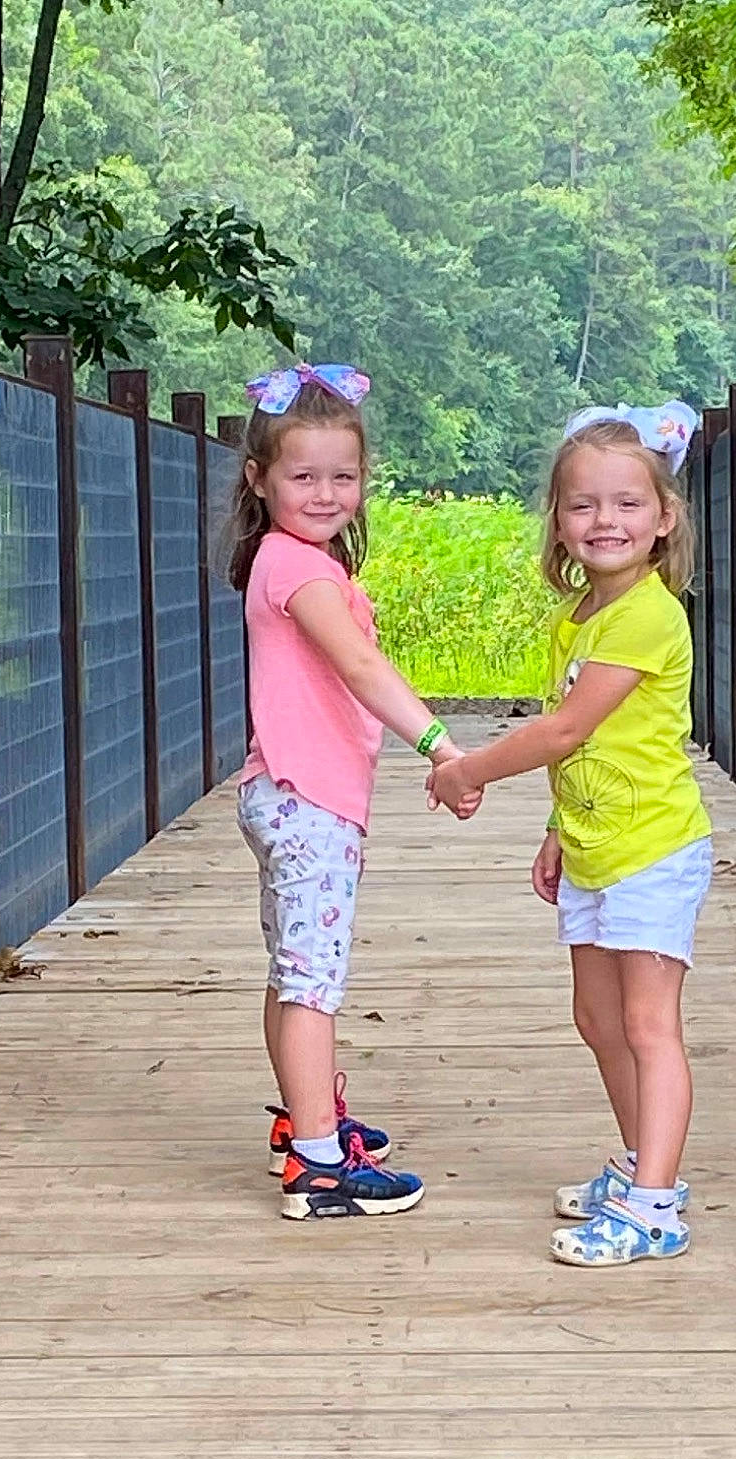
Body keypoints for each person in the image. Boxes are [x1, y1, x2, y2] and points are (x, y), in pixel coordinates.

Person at [429, 401, 711, 1267]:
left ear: (664, 519)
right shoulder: (585, 615)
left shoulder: (647, 617)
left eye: (628, 504)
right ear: (557, 520)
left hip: (655, 846)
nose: (605, 521)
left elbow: (561, 732)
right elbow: (587, 745)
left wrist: (467, 769)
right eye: (583, 504)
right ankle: (639, 1165)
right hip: (597, 845)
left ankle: (656, 1205)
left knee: (647, 1022)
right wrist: (557, 825)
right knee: (595, 1015)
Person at [231, 361, 478, 1221]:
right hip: (310, 803)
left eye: (344, 476)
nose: (327, 492)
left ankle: (307, 1121)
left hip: (286, 793)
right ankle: (318, 1163)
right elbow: (360, 664)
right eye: (303, 476)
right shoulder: (297, 569)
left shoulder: (288, 559)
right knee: (313, 982)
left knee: (292, 972)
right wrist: (440, 744)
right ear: (260, 480)